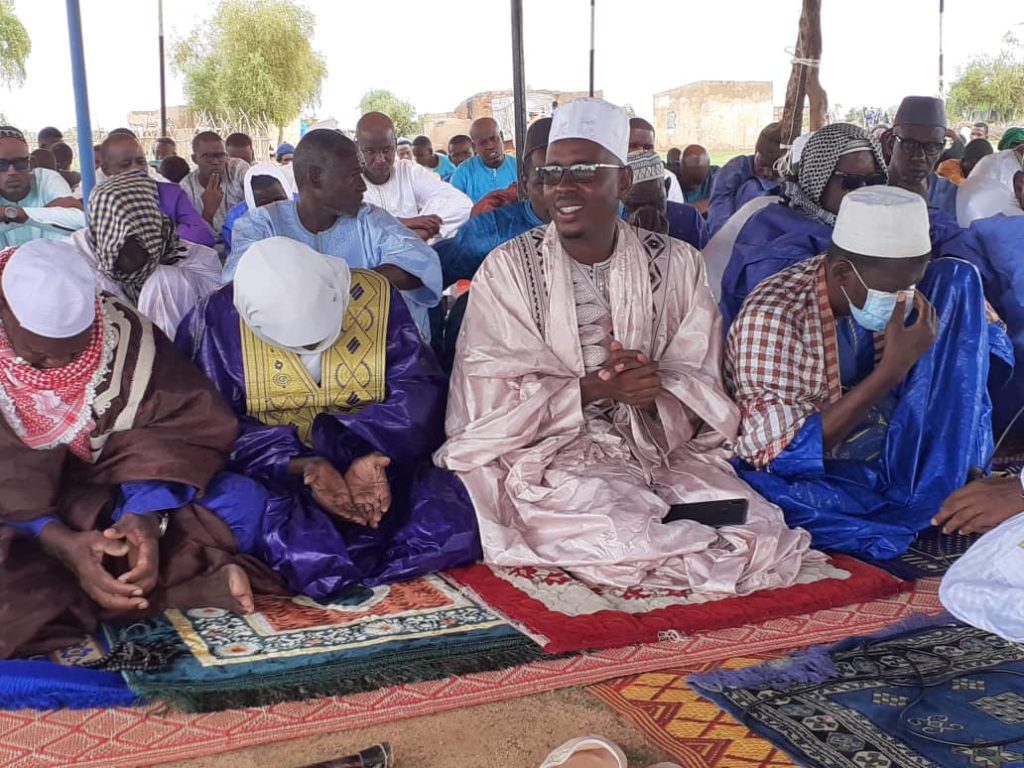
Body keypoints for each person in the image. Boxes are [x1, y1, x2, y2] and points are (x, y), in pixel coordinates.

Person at [436, 98, 814, 590]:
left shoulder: (678, 264)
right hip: (552, 450)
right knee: (616, 530)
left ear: (625, 182)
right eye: (552, 173)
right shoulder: (509, 268)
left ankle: (654, 508)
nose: (564, 188)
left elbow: (699, 372)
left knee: (755, 526)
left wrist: (654, 384)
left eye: (586, 171)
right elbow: (486, 394)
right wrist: (594, 390)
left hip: (661, 448)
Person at [0, 239, 283, 659]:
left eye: (74, 354)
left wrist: (146, 519)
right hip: (16, 520)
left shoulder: (123, 334)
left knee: (246, 504)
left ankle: (123, 580)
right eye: (38, 356)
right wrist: (56, 538)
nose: (57, 371)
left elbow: (183, 426)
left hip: (107, 493)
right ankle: (172, 595)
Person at [177, 238, 481, 597]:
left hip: (386, 455)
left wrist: (367, 453)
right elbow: (213, 425)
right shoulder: (214, 322)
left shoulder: (375, 296)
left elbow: (417, 387)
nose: (310, 351)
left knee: (454, 519)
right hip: (281, 475)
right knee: (303, 550)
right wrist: (306, 465)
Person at [725, 186, 1001, 559]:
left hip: (888, 429)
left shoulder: (904, 289)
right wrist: (892, 370)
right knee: (798, 501)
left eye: (912, 285)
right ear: (841, 272)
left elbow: (980, 351)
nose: (903, 299)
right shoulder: (773, 316)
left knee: (958, 279)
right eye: (892, 291)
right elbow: (782, 452)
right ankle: (929, 489)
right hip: (822, 452)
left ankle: (942, 476)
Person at [227, 129, 441, 339]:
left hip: (368, 353)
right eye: (353, 175)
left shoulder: (369, 219)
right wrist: (339, 286)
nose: (362, 186)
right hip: (288, 360)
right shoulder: (262, 224)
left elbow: (420, 267)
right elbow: (238, 282)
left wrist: (333, 283)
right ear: (316, 177)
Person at [69, 170, 222, 337]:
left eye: (134, 239)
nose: (124, 253)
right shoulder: (81, 262)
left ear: (154, 227)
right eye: (113, 239)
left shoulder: (197, 263)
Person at [434, 118, 552, 287]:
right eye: (548, 177)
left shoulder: (599, 231)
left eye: (582, 172)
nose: (564, 189)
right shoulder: (489, 229)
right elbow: (430, 270)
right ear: (526, 184)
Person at [356, 113, 472, 242]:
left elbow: (461, 203)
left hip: (415, 255)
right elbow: (356, 230)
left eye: (386, 150)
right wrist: (405, 222)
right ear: (358, 147)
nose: (380, 160)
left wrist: (422, 231)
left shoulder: (408, 171)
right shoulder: (349, 183)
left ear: (395, 144)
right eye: (370, 151)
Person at [99, 132, 215, 248]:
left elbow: (202, 235)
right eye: (126, 164)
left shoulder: (171, 193)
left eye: (141, 162)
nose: (136, 169)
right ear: (107, 170)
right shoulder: (104, 202)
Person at [0, 126, 85, 247]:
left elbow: (80, 222)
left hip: (52, 263)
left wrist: (16, 214)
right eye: (1, 164)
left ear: (31, 164)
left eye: (19, 162)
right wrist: (38, 215)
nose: (11, 171)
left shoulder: (47, 178)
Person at [884, 96, 958, 220]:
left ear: (941, 149)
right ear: (891, 144)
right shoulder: (867, 190)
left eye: (932, 147)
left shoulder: (953, 195)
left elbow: (958, 239)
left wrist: (926, 212)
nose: (919, 157)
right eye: (909, 145)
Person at [707, 123, 784, 236]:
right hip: (735, 238)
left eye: (774, 168)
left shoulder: (793, 178)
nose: (766, 173)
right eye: (761, 165)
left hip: (774, 240)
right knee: (754, 188)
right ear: (756, 153)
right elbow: (719, 216)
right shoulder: (734, 170)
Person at [180, 131, 250, 253]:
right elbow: (189, 241)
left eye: (220, 155)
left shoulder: (237, 169)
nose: (216, 162)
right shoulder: (186, 189)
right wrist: (208, 212)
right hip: (208, 254)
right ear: (194, 159)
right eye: (208, 156)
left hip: (244, 246)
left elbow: (257, 195)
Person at [623, 150, 708, 249]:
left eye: (653, 204)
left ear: (667, 188)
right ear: (622, 198)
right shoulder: (612, 224)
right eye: (636, 206)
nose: (648, 215)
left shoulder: (690, 221)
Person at [222, 162, 291, 257]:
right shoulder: (236, 223)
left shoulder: (304, 211)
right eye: (264, 204)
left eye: (279, 199)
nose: (274, 207)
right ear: (252, 203)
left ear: (287, 194)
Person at [450, 118, 519, 203]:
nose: (490, 146)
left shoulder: (519, 167)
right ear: (474, 146)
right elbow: (454, 206)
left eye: (493, 139)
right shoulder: (463, 173)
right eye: (483, 143)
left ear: (502, 137)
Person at [627, 118, 685, 204]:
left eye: (648, 148)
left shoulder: (667, 177)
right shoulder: (609, 178)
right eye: (633, 146)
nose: (641, 152)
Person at [677, 145, 718, 213]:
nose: (695, 186)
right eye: (690, 181)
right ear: (680, 168)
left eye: (698, 182)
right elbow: (677, 211)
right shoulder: (671, 182)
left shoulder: (716, 175)